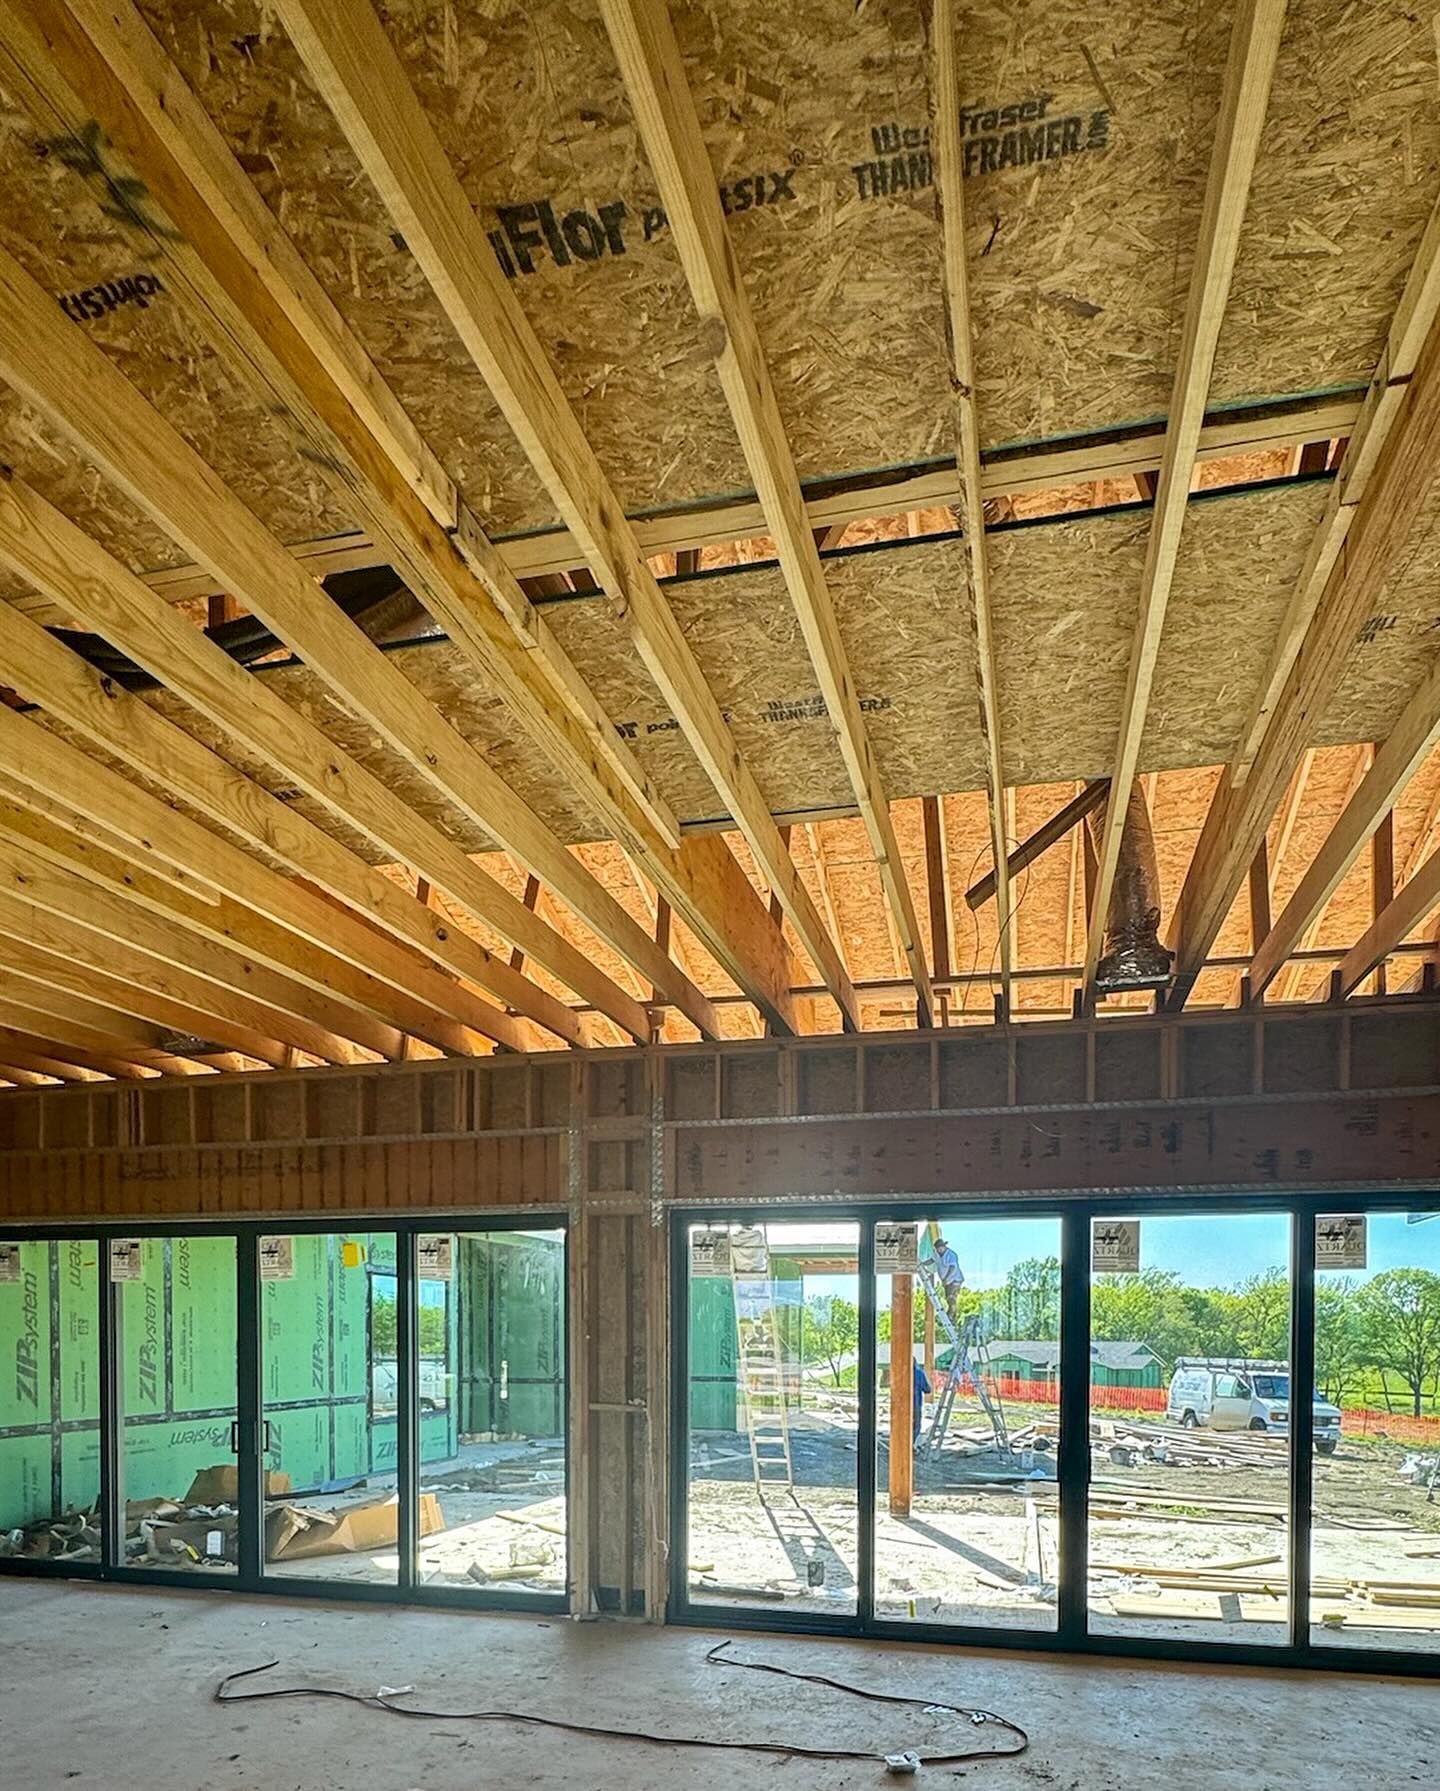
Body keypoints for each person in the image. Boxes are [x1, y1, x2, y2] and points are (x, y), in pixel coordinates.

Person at [933, 1232, 964, 1320]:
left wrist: (946, 1278)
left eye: (940, 1248)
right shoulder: (937, 1255)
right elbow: (932, 1260)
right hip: (946, 1281)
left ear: (944, 1247)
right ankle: (950, 1314)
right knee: (948, 1297)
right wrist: (922, 1263)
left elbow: (952, 1267)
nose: (939, 1250)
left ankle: (952, 1316)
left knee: (952, 1297)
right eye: (937, 1248)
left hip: (955, 1280)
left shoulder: (951, 1254)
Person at [912, 1357, 930, 1450]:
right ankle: (912, 1444)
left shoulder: (900, 1372)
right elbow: (927, 1389)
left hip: (901, 1406)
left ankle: (904, 1445)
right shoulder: (919, 1373)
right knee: (916, 1425)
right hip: (916, 1404)